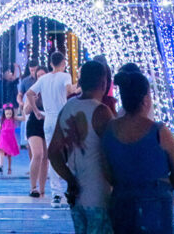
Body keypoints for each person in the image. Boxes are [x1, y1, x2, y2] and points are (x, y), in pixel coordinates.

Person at [101, 69, 174, 234]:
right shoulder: (159, 131)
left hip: (122, 201)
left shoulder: (109, 130)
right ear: (146, 100)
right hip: (156, 203)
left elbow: (106, 171)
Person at [48, 59, 114, 234]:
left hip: (77, 194)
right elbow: (113, 153)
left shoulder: (68, 107)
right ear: (103, 83)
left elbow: (53, 152)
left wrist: (70, 178)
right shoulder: (101, 111)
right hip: (99, 194)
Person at [26, 50, 78, 208]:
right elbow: (70, 91)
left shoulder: (44, 79)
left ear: (50, 64)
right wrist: (79, 87)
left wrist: (36, 111)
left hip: (48, 119)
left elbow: (29, 93)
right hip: (62, 119)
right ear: (63, 63)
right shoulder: (65, 76)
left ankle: (56, 193)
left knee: (52, 156)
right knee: (69, 155)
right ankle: (71, 188)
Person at [24, 65, 48, 197]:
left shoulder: (51, 90)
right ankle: (33, 187)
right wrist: (34, 102)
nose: (41, 77)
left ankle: (42, 188)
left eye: (43, 75)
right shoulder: (32, 91)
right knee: (38, 154)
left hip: (47, 122)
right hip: (34, 123)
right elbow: (25, 111)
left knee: (46, 157)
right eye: (39, 76)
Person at [17, 59, 39, 154]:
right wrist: (21, 103)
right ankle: (24, 142)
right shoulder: (25, 81)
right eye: (31, 70)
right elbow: (20, 94)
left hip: (40, 104)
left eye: (35, 70)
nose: (33, 72)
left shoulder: (42, 79)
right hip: (28, 104)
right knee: (25, 121)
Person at [0, 103, 20, 175]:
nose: (8, 115)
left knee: (9, 155)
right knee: (1, 151)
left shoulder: (13, 120)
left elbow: (21, 117)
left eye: (10, 113)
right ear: (4, 114)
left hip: (10, 139)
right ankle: (1, 165)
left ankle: (9, 168)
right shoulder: (2, 121)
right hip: (3, 139)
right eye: (7, 114)